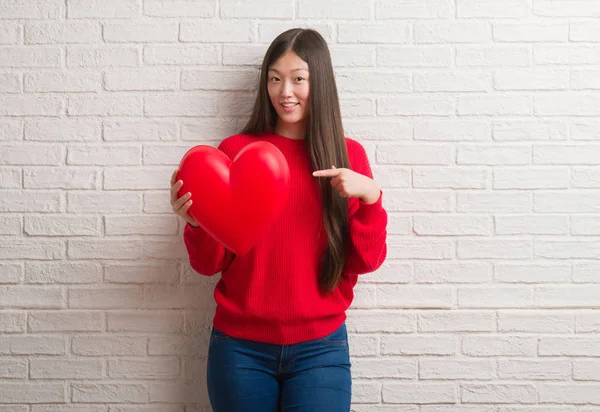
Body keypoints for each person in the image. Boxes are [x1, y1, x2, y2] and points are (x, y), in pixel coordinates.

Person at [169, 28, 387, 412]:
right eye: (275, 78)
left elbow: (366, 261)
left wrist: (370, 198)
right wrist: (197, 223)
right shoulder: (234, 154)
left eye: (298, 78)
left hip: (321, 349)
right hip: (239, 349)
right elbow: (207, 266)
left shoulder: (348, 156)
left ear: (318, 81)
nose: (285, 91)